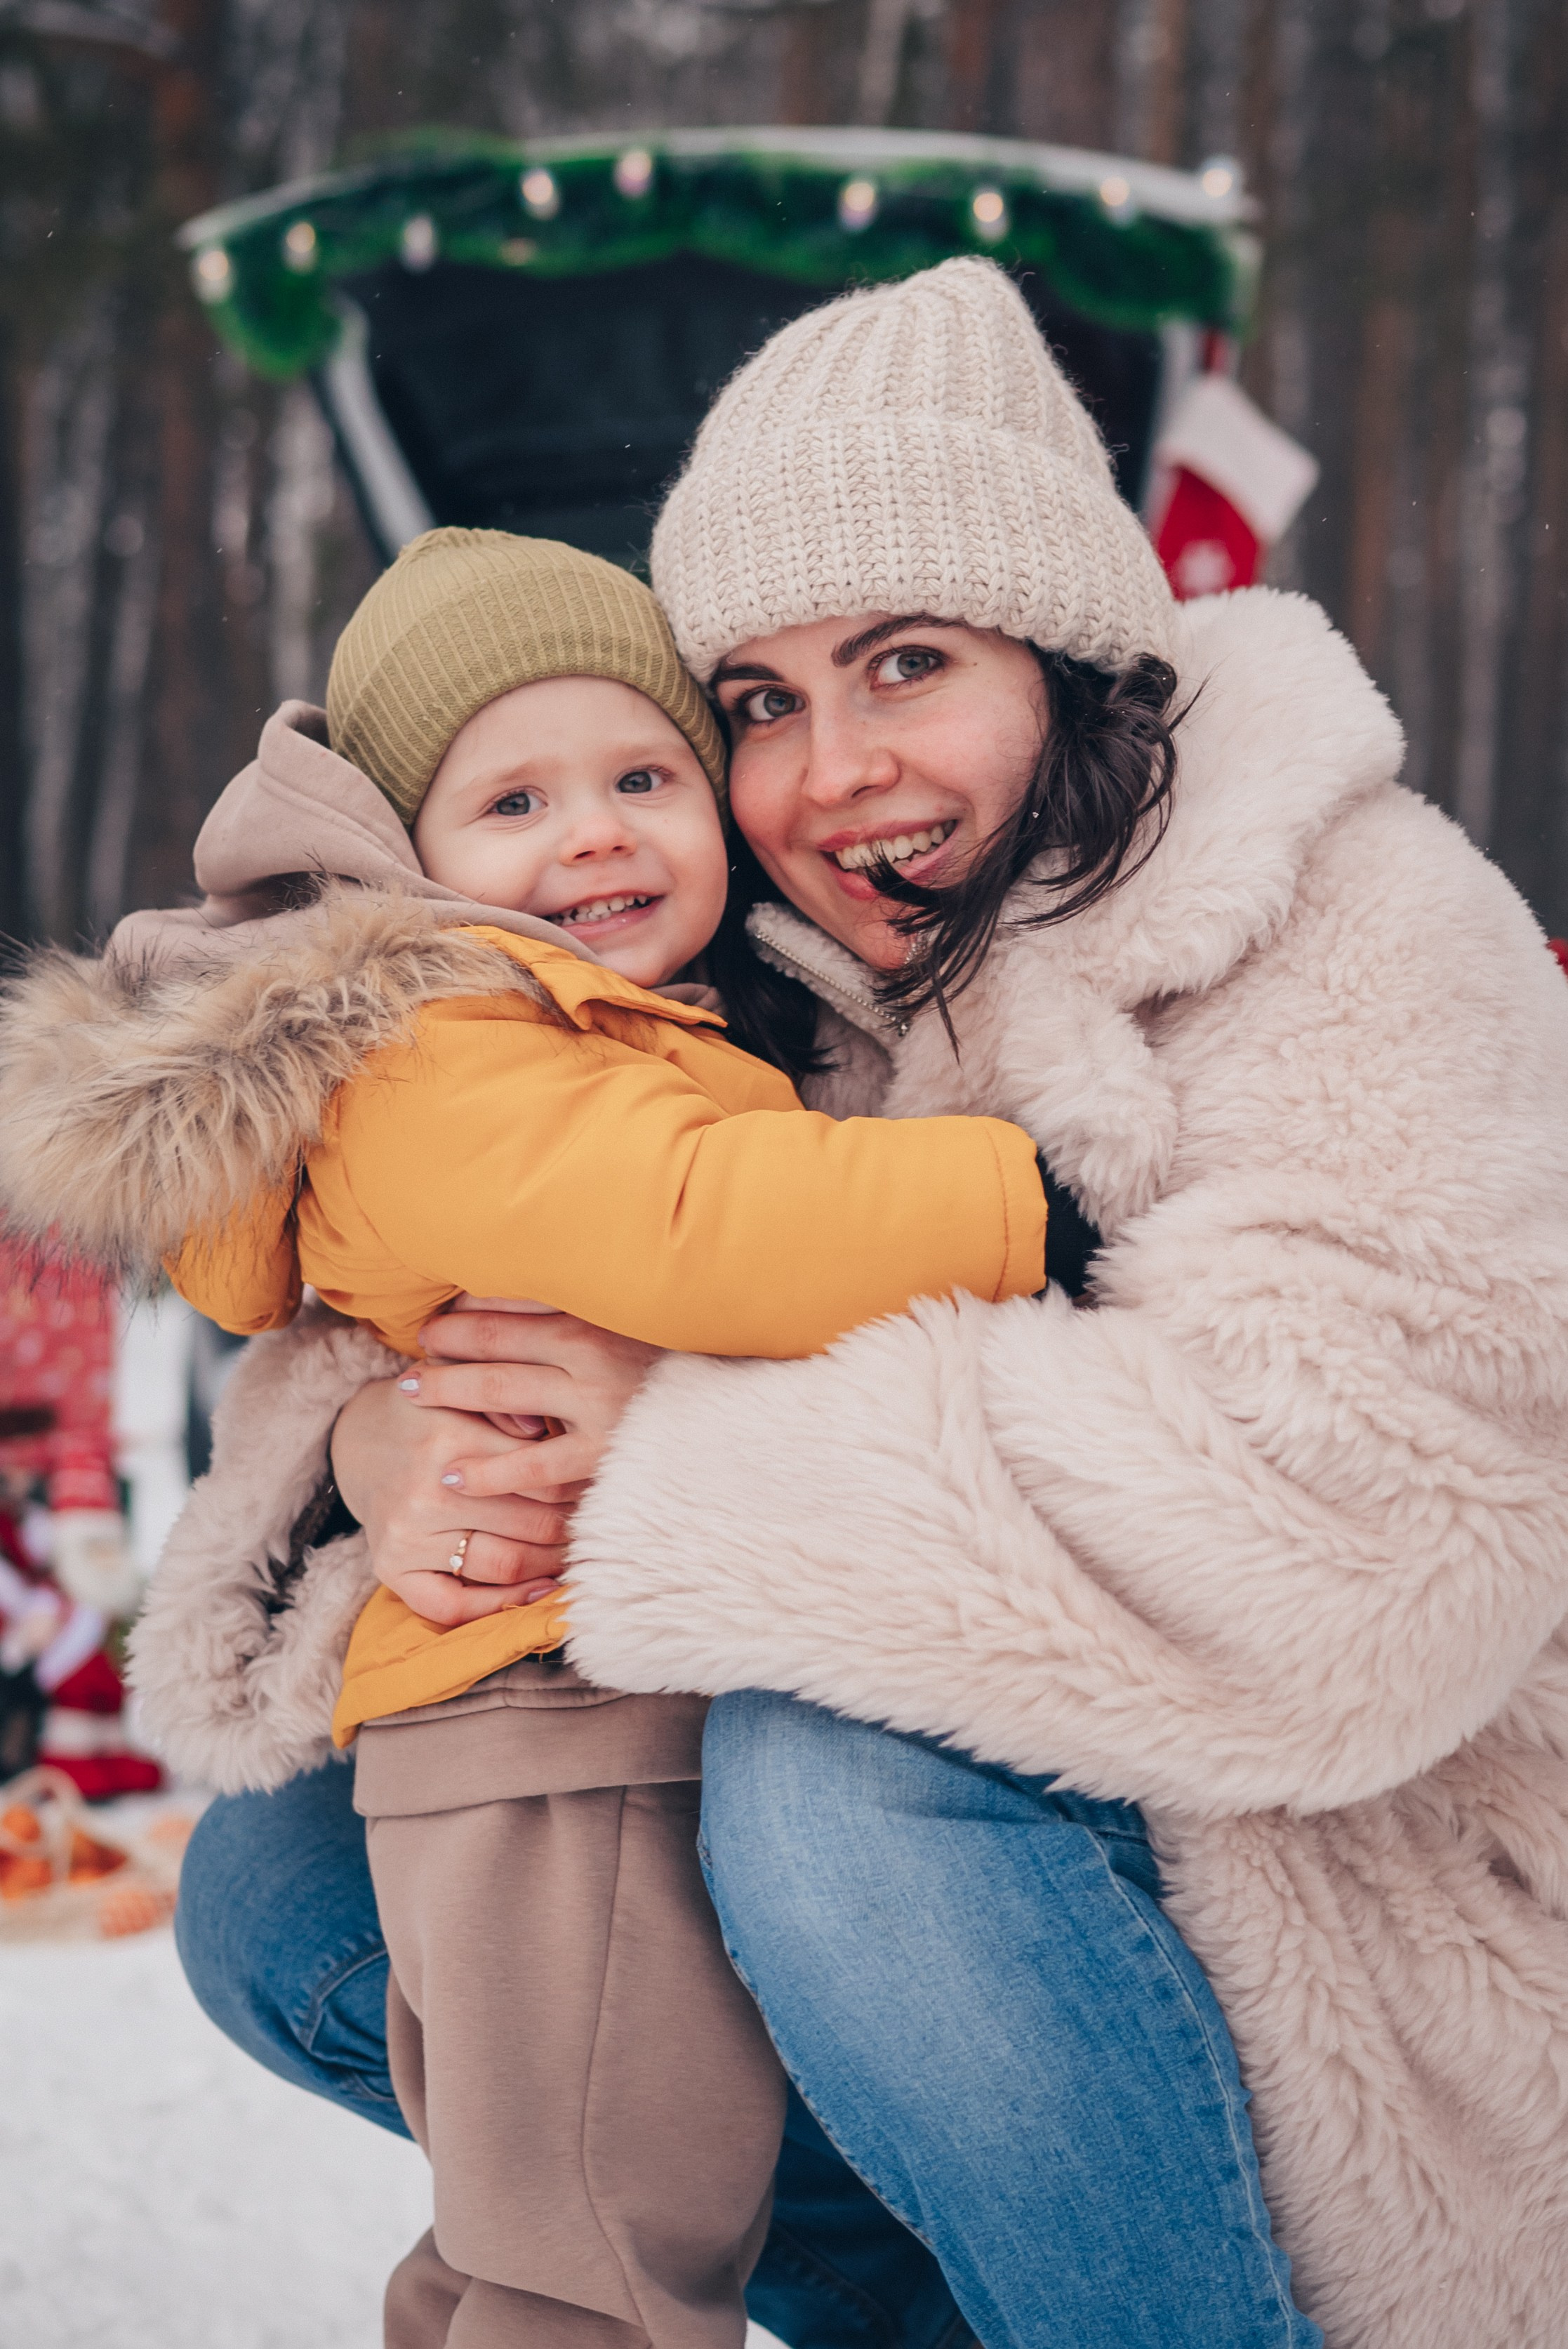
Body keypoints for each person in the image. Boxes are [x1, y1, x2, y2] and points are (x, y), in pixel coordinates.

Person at [37, 254, 1568, 2348]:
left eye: (905, 660)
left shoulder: (1358, 916)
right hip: (1048, 1920)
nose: (832, 768)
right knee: (283, 1884)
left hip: (1379, 1919)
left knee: (828, 1782)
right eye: (755, 701)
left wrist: (662, 1451)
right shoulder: (770, 961)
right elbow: (463, 1243)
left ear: (1067, 646)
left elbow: (1384, 1543)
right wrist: (394, 1452)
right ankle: (951, 2304)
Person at [0, 524, 1055, 2349]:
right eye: (513, 802)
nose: (591, 833)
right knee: (604, 2262)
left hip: (554, 1723)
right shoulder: (453, 1050)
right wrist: (1032, 1205)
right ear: (401, 864)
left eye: (641, 775)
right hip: (555, 1724)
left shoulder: (601, 1030)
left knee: (538, 2234)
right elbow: (701, 1217)